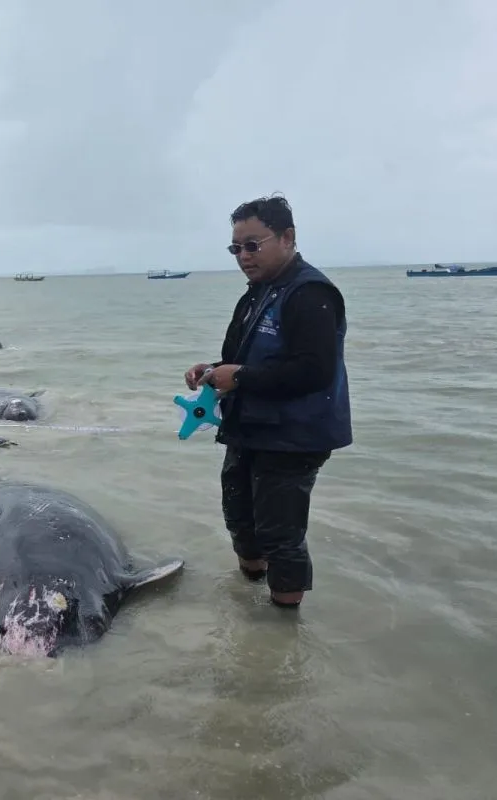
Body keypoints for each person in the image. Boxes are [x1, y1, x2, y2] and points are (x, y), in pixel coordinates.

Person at [183, 195, 352, 610]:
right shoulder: (259, 292)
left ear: (287, 237)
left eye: (253, 245)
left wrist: (238, 376)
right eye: (236, 248)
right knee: (240, 520)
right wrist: (214, 369)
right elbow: (244, 359)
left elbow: (314, 371)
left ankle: (282, 632)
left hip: (294, 436)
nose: (243, 256)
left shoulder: (311, 293)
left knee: (280, 534)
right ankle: (248, 611)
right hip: (251, 428)